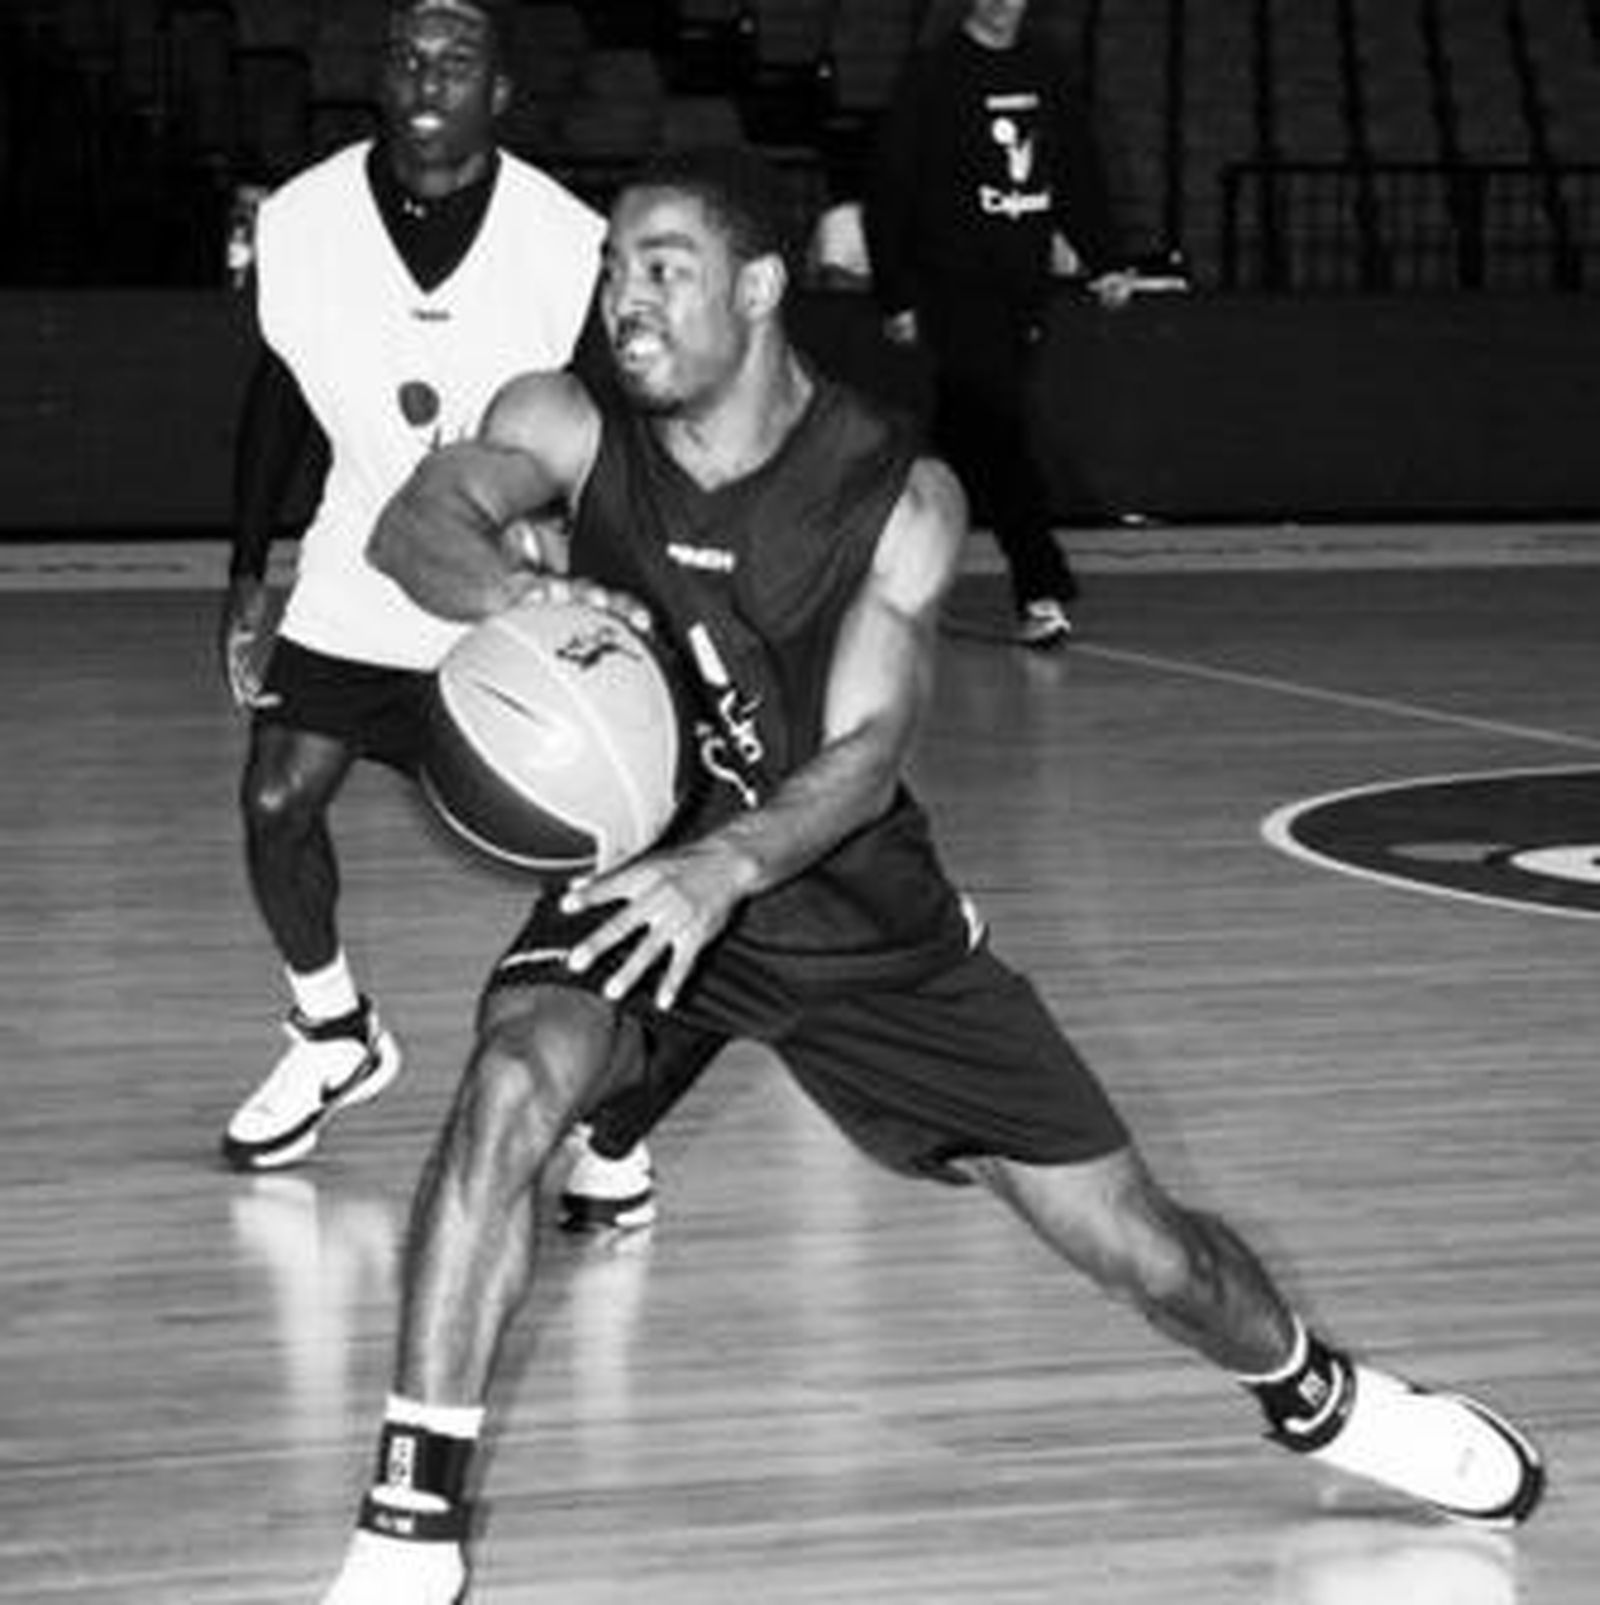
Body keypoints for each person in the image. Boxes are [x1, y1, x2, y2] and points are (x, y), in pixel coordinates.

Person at [316, 146, 1543, 1604]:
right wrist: (525, 593)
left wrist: (728, 864)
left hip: (846, 914)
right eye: (612, 271)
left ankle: (1327, 1400)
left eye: (663, 269)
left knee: (1152, 1258)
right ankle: (409, 1535)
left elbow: (869, 754)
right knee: (511, 1085)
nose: (625, 302)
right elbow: (415, 526)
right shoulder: (566, 424)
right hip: (642, 885)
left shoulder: (895, 493)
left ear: (762, 288)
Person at [217, 0, 685, 1204]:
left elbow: (611, 436)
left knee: (593, 857)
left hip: (509, 592)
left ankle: (613, 1124)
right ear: (380, 77)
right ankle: (333, 1033)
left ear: (502, 94)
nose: (429, 76)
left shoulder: (566, 241)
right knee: (275, 798)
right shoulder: (308, 218)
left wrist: (612, 589)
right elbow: (279, 392)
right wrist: (247, 567)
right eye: (409, 57)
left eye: (458, 60)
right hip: (363, 557)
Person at [865, 0, 1136, 649]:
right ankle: (1041, 585)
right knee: (1004, 434)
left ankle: (858, 546)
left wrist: (1105, 259)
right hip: (954, 288)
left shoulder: (1046, 67)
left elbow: (1075, 167)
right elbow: (892, 183)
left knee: (962, 437)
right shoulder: (934, 73)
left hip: (1023, 291)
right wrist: (896, 292)